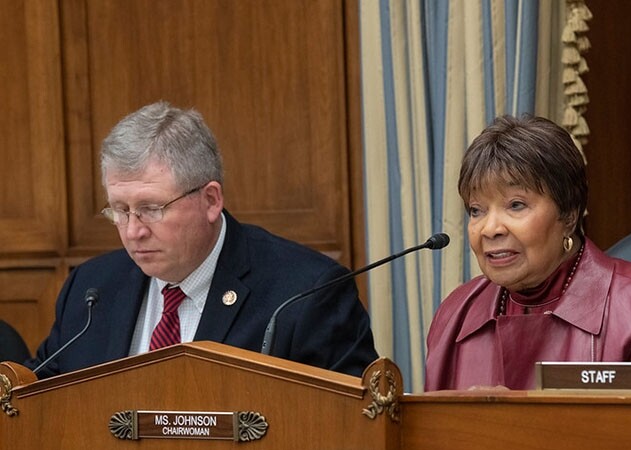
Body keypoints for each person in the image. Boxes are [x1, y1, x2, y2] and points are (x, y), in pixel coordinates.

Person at [26, 101, 378, 379]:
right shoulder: (91, 290)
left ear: (210, 200)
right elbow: (38, 400)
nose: (133, 231)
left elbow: (351, 424)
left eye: (150, 208)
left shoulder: (306, 294)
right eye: (120, 210)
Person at [425, 115, 631, 391]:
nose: (490, 229)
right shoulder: (455, 316)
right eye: (477, 210)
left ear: (569, 215)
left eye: (515, 205)